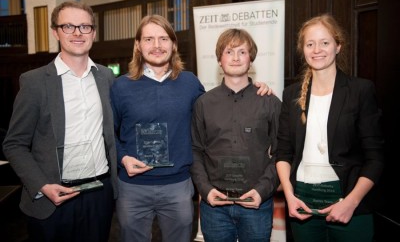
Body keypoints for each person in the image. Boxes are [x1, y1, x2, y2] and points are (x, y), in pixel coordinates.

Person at [111, 15, 272, 242]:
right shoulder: (120, 87)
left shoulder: (189, 83)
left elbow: (220, 112)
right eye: (148, 39)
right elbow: (109, 134)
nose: (157, 46)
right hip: (133, 188)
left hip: (178, 186)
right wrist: (123, 158)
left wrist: (253, 89)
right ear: (138, 45)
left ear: (174, 44)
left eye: (163, 39)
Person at [2, 1, 118, 242]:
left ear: (94, 33)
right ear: (56, 31)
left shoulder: (106, 77)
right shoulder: (34, 82)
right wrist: (42, 185)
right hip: (54, 196)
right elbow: (14, 144)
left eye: (85, 26)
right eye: (68, 26)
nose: (77, 33)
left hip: (99, 193)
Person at [275, 13, 384, 241]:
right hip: (302, 205)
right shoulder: (291, 94)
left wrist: (351, 203)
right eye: (310, 44)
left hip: (350, 207)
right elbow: (283, 153)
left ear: (338, 46)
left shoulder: (360, 91)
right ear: (303, 50)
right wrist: (289, 196)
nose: (317, 50)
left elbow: (375, 158)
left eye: (325, 43)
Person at [190, 28, 281, 242]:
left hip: (256, 204)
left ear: (251, 59)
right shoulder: (203, 104)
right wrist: (205, 189)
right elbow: (195, 150)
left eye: (242, 52)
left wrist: (262, 190)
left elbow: (283, 153)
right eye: (229, 52)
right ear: (219, 60)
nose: (236, 58)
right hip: (215, 206)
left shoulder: (270, 102)